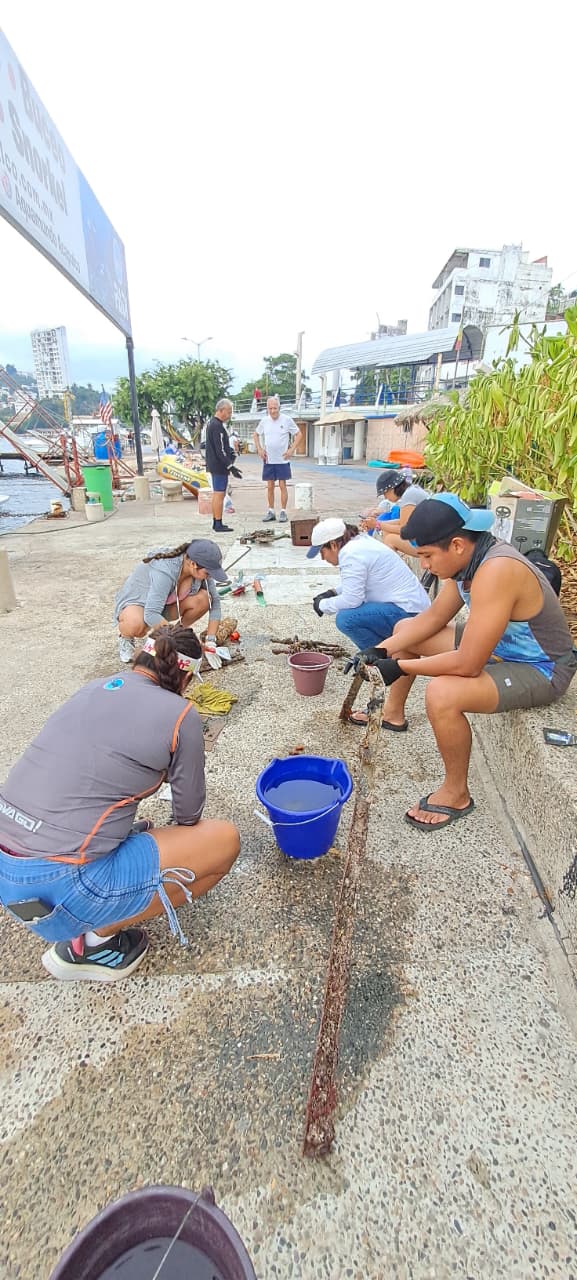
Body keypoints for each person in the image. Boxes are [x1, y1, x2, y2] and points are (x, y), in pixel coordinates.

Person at [0, 624, 240, 982]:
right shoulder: (181, 714)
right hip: (62, 883)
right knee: (224, 841)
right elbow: (188, 814)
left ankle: (91, 912)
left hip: (8, 873)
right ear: (186, 678)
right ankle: (96, 940)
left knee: (133, 825)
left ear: (142, 656)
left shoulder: (93, 688)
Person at [351, 494, 577, 829]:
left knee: (442, 694)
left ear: (456, 545)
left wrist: (400, 666)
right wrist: (380, 650)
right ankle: (393, 714)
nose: (424, 565)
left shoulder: (497, 570)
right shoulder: (468, 560)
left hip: (541, 668)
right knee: (405, 630)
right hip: (500, 648)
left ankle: (456, 792)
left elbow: (468, 664)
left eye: (427, 556)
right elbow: (432, 619)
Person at [306, 517, 429, 728]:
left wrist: (323, 605)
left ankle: (381, 660)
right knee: (352, 617)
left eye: (322, 552)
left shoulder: (350, 554)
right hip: (411, 607)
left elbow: (352, 599)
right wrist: (332, 592)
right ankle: (390, 661)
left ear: (333, 544)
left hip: (407, 612)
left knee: (346, 618)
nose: (323, 558)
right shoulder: (360, 543)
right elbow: (357, 584)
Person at [115, 538, 228, 665]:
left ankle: (172, 636)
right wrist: (180, 641)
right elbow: (151, 614)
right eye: (208, 573)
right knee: (136, 626)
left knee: (204, 599)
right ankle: (126, 638)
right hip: (141, 604)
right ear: (193, 564)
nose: (210, 576)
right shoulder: (165, 570)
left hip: (164, 606)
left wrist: (211, 641)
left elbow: (215, 603)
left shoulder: (201, 571)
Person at [253, 395, 303, 523]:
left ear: (279, 407)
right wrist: (259, 449)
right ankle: (271, 511)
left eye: (275, 408)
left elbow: (299, 434)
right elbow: (256, 434)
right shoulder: (264, 421)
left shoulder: (287, 420)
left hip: (282, 459)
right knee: (270, 486)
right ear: (267, 409)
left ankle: (283, 511)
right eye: (270, 408)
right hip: (269, 459)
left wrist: (291, 449)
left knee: (282, 485)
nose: (273, 411)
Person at [362, 470, 429, 556]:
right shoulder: (411, 491)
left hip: (431, 543)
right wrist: (376, 523)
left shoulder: (408, 496)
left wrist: (378, 525)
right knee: (386, 532)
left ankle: (390, 564)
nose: (385, 497)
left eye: (385, 493)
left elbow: (405, 530)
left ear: (392, 488)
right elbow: (403, 521)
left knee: (390, 539)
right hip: (429, 536)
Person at [204, 398, 242, 533]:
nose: (230, 415)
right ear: (221, 410)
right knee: (219, 494)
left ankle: (217, 521)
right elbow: (220, 450)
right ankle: (218, 523)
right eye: (229, 412)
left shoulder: (213, 424)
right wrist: (230, 466)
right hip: (218, 466)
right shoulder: (217, 426)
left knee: (218, 493)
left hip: (215, 464)